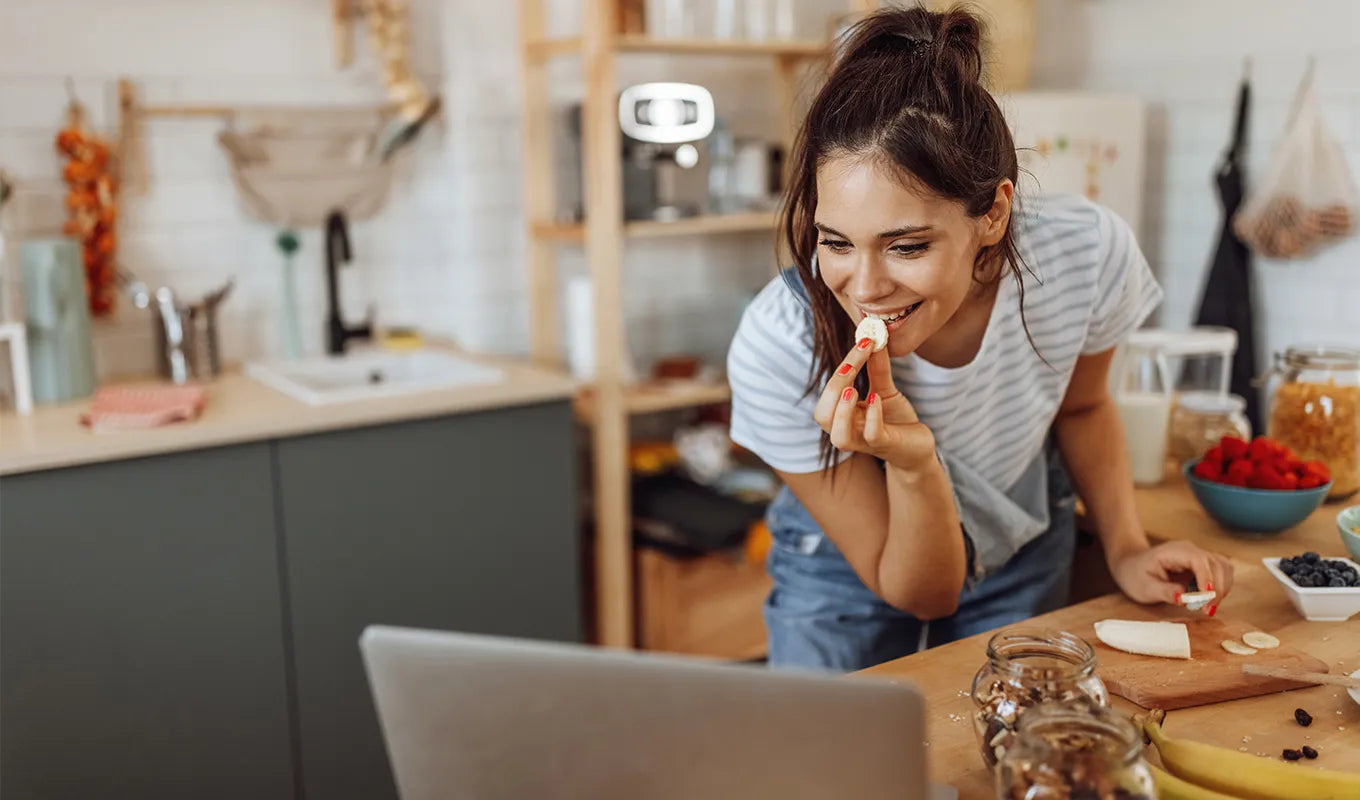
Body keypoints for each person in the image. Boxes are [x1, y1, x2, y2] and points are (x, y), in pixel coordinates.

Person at [727, 5, 1235, 672]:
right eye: (836, 242)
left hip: (1021, 543)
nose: (866, 287)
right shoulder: (781, 342)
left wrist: (1126, 547)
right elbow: (924, 594)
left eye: (906, 245)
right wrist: (911, 461)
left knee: (1006, 759)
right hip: (843, 572)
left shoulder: (1084, 254)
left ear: (994, 212)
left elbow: (1082, 408)